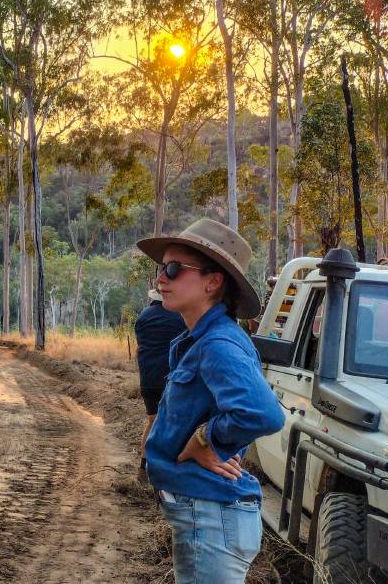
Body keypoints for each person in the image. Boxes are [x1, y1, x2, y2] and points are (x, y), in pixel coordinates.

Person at [137, 218, 286, 583]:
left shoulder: (218, 344)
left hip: (213, 516)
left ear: (212, 281)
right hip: (204, 512)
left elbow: (264, 414)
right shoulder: (197, 341)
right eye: (161, 268)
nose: (161, 279)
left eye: (174, 269)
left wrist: (207, 440)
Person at [134, 284, 186, 481]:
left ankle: (143, 468)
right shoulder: (180, 317)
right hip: (172, 378)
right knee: (173, 423)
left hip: (148, 378)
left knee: (152, 421)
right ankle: (166, 471)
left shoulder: (143, 317)